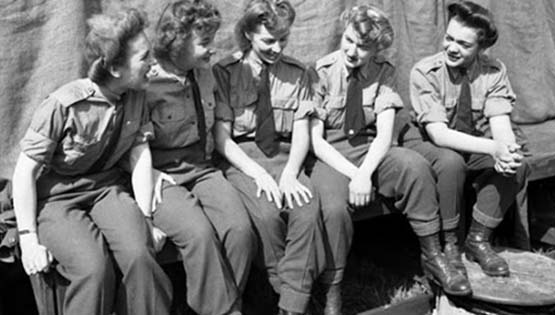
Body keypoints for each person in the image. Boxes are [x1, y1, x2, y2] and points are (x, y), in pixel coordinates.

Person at [309, 5, 472, 313]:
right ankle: (332, 288)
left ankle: (433, 257)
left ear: (377, 48)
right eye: (349, 40)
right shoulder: (320, 71)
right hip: (332, 154)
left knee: (415, 167)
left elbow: (384, 135)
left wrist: (365, 172)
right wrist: (354, 174)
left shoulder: (384, 72)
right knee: (331, 208)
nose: (354, 52)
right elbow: (316, 141)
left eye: (364, 46)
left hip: (371, 148)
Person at [12, 8, 172, 315]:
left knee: (141, 254)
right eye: (144, 58)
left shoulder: (136, 94)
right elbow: (24, 173)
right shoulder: (63, 104)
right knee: (92, 268)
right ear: (114, 68)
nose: (152, 64)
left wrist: (146, 219)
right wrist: (28, 238)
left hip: (105, 189)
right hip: (57, 198)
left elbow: (139, 154)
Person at [212, 1, 326, 314]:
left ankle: (291, 305)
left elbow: (301, 130)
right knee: (265, 214)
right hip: (243, 158)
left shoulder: (298, 72)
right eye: (268, 41)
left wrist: (291, 173)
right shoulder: (225, 72)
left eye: (283, 40)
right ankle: (289, 294)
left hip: (285, 154)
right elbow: (222, 138)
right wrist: (256, 173)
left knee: (306, 208)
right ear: (248, 33)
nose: (276, 48)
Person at [402, 0, 530, 278]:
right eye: (449, 38)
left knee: (518, 163)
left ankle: (478, 240)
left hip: (471, 140)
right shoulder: (425, 72)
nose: (452, 47)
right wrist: (493, 148)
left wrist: (506, 150)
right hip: (428, 143)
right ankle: (450, 246)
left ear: (481, 48)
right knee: (450, 163)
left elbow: (500, 123)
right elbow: (438, 133)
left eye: (463, 44)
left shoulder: (493, 71)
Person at [146, 1, 256, 314]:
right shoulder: (146, 83)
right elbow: (127, 146)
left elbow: (219, 132)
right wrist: (147, 173)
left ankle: (216, 307)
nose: (211, 50)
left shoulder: (205, 74)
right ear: (176, 42)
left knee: (240, 230)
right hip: (161, 177)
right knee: (199, 234)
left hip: (202, 169)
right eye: (204, 43)